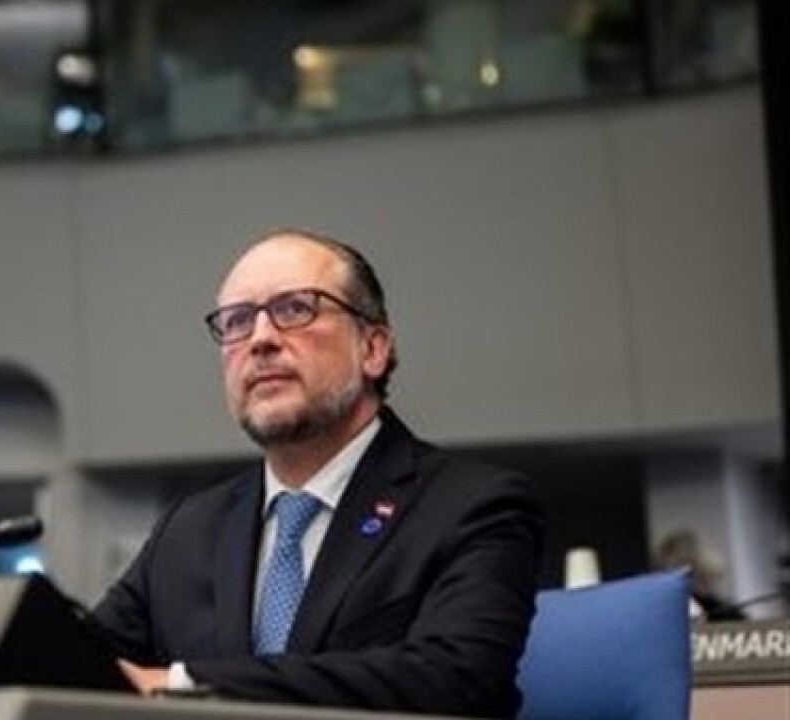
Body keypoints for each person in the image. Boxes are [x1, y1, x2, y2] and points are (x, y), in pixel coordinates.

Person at [91, 229, 544, 718]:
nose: (261, 339)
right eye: (238, 321)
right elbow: (78, 664)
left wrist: (182, 684)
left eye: (295, 309)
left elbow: (455, 678)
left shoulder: (474, 506)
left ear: (373, 348)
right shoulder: (187, 531)